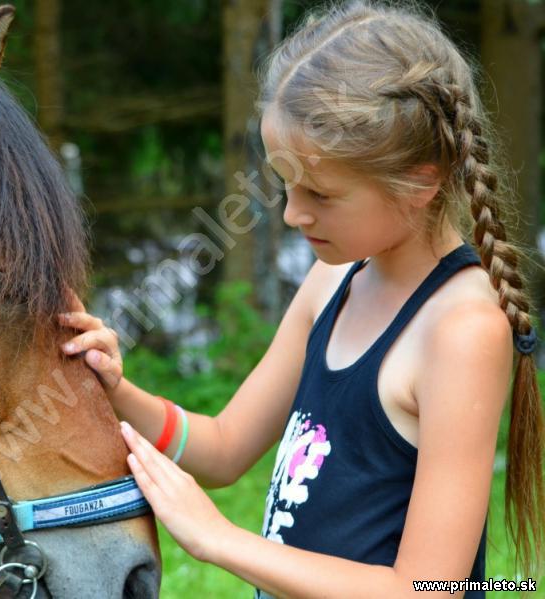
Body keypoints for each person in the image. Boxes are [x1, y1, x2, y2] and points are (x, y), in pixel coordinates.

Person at [58, 1, 544, 596]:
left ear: (421, 181)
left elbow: (429, 587)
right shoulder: (333, 281)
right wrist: (117, 390)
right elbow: (224, 448)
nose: (292, 213)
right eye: (286, 184)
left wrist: (222, 540)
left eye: (320, 193)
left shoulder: (461, 330)